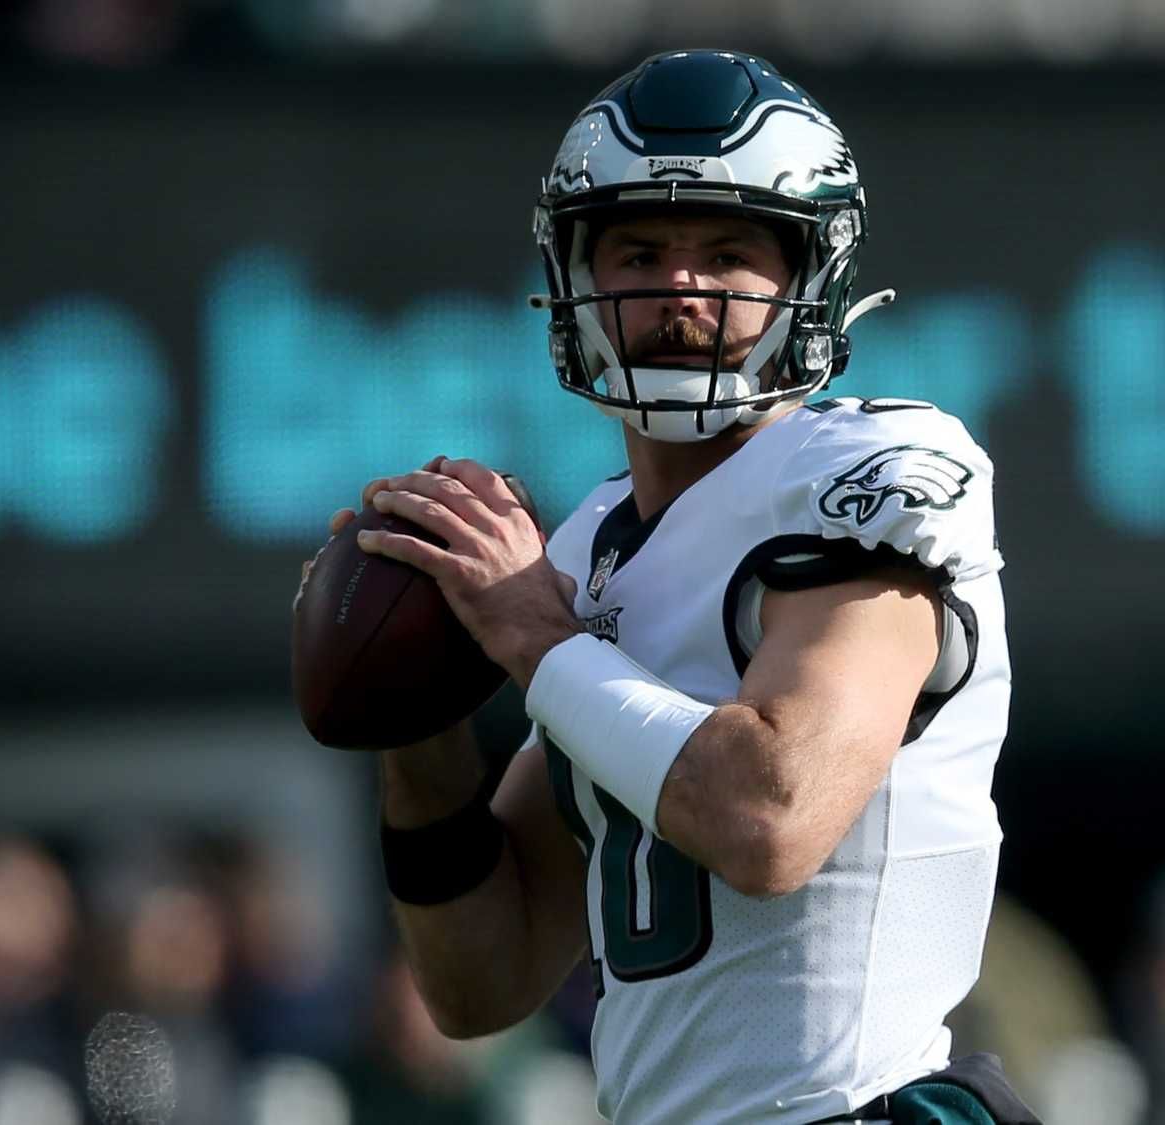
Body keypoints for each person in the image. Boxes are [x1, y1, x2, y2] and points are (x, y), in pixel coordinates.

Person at [320, 51, 1034, 1125]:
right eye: (640, 251)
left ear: (809, 276)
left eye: (727, 253)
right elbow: (479, 983)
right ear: (576, 273)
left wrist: (541, 641)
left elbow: (772, 819)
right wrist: (415, 714)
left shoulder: (862, 474)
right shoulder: (587, 553)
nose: (680, 288)